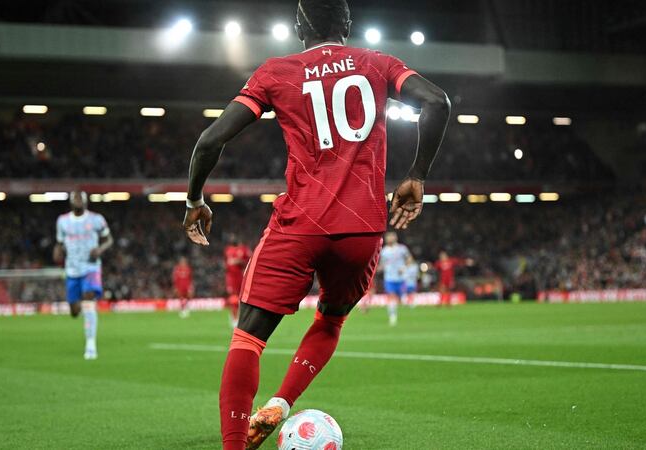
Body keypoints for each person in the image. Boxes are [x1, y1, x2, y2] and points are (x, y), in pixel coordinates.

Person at [181, 1, 449, 448]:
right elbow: (436, 102)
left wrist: (194, 199)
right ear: (347, 24)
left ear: (297, 26)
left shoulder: (276, 72)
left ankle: (235, 444)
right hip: (362, 229)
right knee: (330, 321)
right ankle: (281, 404)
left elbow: (210, 140)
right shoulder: (378, 64)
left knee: (248, 337)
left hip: (300, 224)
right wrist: (417, 175)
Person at [53, 191, 113, 360]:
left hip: (91, 267)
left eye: (81, 197)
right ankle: (80, 311)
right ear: (71, 202)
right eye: (75, 197)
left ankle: (91, 344)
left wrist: (100, 249)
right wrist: (57, 252)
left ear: (86, 201)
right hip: (72, 269)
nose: (78, 200)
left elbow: (109, 240)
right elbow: (59, 243)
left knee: (88, 300)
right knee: (74, 310)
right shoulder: (63, 221)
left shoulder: (96, 219)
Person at [380, 231, 411, 325]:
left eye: (391, 237)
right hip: (389, 278)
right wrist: (380, 268)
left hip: (401, 278)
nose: (389, 239)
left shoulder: (402, 249)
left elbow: (409, 259)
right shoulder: (384, 251)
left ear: (395, 238)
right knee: (392, 297)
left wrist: (404, 267)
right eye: (388, 237)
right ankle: (392, 317)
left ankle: (406, 302)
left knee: (402, 299)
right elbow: (382, 263)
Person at [224, 234, 251, 327]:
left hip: (241, 276)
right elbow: (227, 264)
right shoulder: (228, 250)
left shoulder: (244, 249)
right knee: (233, 298)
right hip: (231, 277)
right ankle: (234, 318)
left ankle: (241, 318)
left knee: (242, 298)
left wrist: (238, 261)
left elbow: (248, 260)